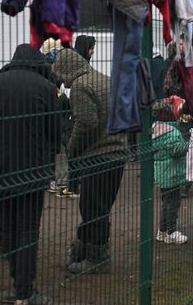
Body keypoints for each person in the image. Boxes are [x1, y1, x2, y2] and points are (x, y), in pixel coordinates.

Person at [0, 44, 62, 305]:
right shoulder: (45, 88)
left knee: (6, 228)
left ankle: (17, 282)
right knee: (28, 229)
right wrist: (48, 154)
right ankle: (24, 291)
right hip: (33, 172)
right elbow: (56, 134)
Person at [52, 49, 129, 274]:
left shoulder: (80, 87)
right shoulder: (104, 79)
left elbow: (86, 122)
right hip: (117, 152)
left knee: (94, 208)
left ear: (66, 70)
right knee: (94, 206)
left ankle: (97, 258)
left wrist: (72, 149)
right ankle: (83, 251)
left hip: (99, 156)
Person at [152, 97, 190, 245]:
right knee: (173, 204)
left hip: (162, 174)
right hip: (172, 174)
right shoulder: (171, 131)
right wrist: (189, 144)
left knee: (166, 203)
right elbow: (176, 151)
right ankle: (172, 232)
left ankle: (162, 231)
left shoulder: (155, 129)